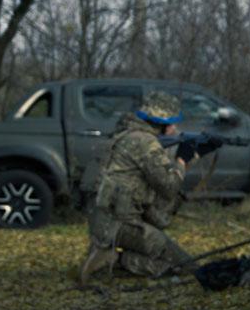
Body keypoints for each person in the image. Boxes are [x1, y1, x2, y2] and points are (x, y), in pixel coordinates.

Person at [80, 91, 195, 282]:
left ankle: (104, 254)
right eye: (172, 123)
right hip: (120, 225)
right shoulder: (146, 143)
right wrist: (182, 163)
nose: (175, 129)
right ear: (162, 123)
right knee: (184, 264)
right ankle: (115, 260)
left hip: (102, 221)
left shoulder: (124, 134)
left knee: (165, 252)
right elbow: (169, 187)